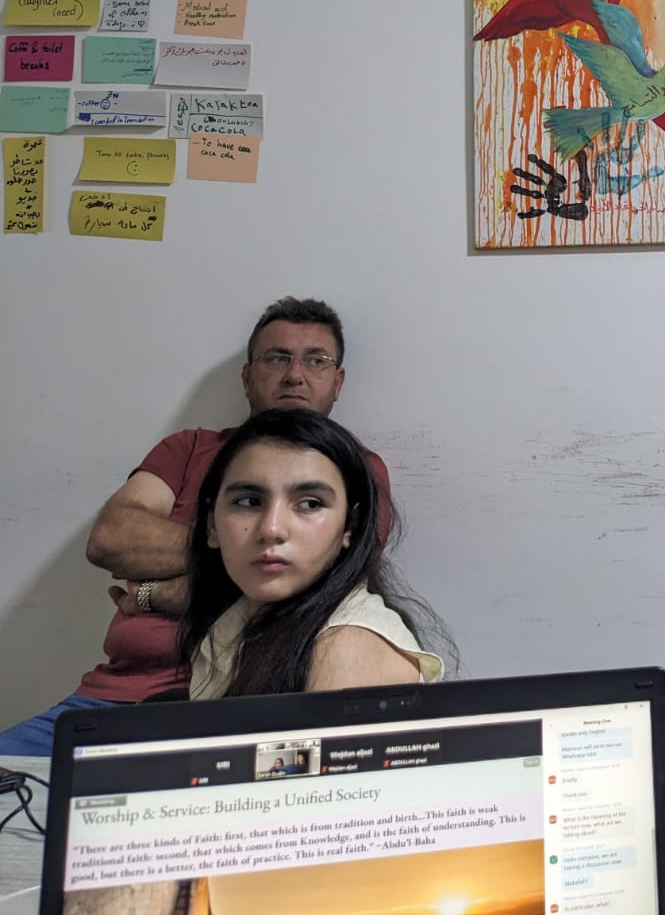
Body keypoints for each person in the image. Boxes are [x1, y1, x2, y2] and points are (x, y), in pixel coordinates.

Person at [0, 297, 392, 755]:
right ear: (247, 377)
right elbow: (111, 539)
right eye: (277, 357)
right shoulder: (188, 449)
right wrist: (239, 561)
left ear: (337, 381)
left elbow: (321, 594)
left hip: (243, 706)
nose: (294, 374)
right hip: (106, 703)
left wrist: (151, 594)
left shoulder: (354, 470)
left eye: (316, 360)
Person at [181, 407, 442, 698]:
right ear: (211, 525)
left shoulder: (346, 648)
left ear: (350, 526)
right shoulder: (240, 618)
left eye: (310, 504)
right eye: (249, 502)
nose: (271, 529)